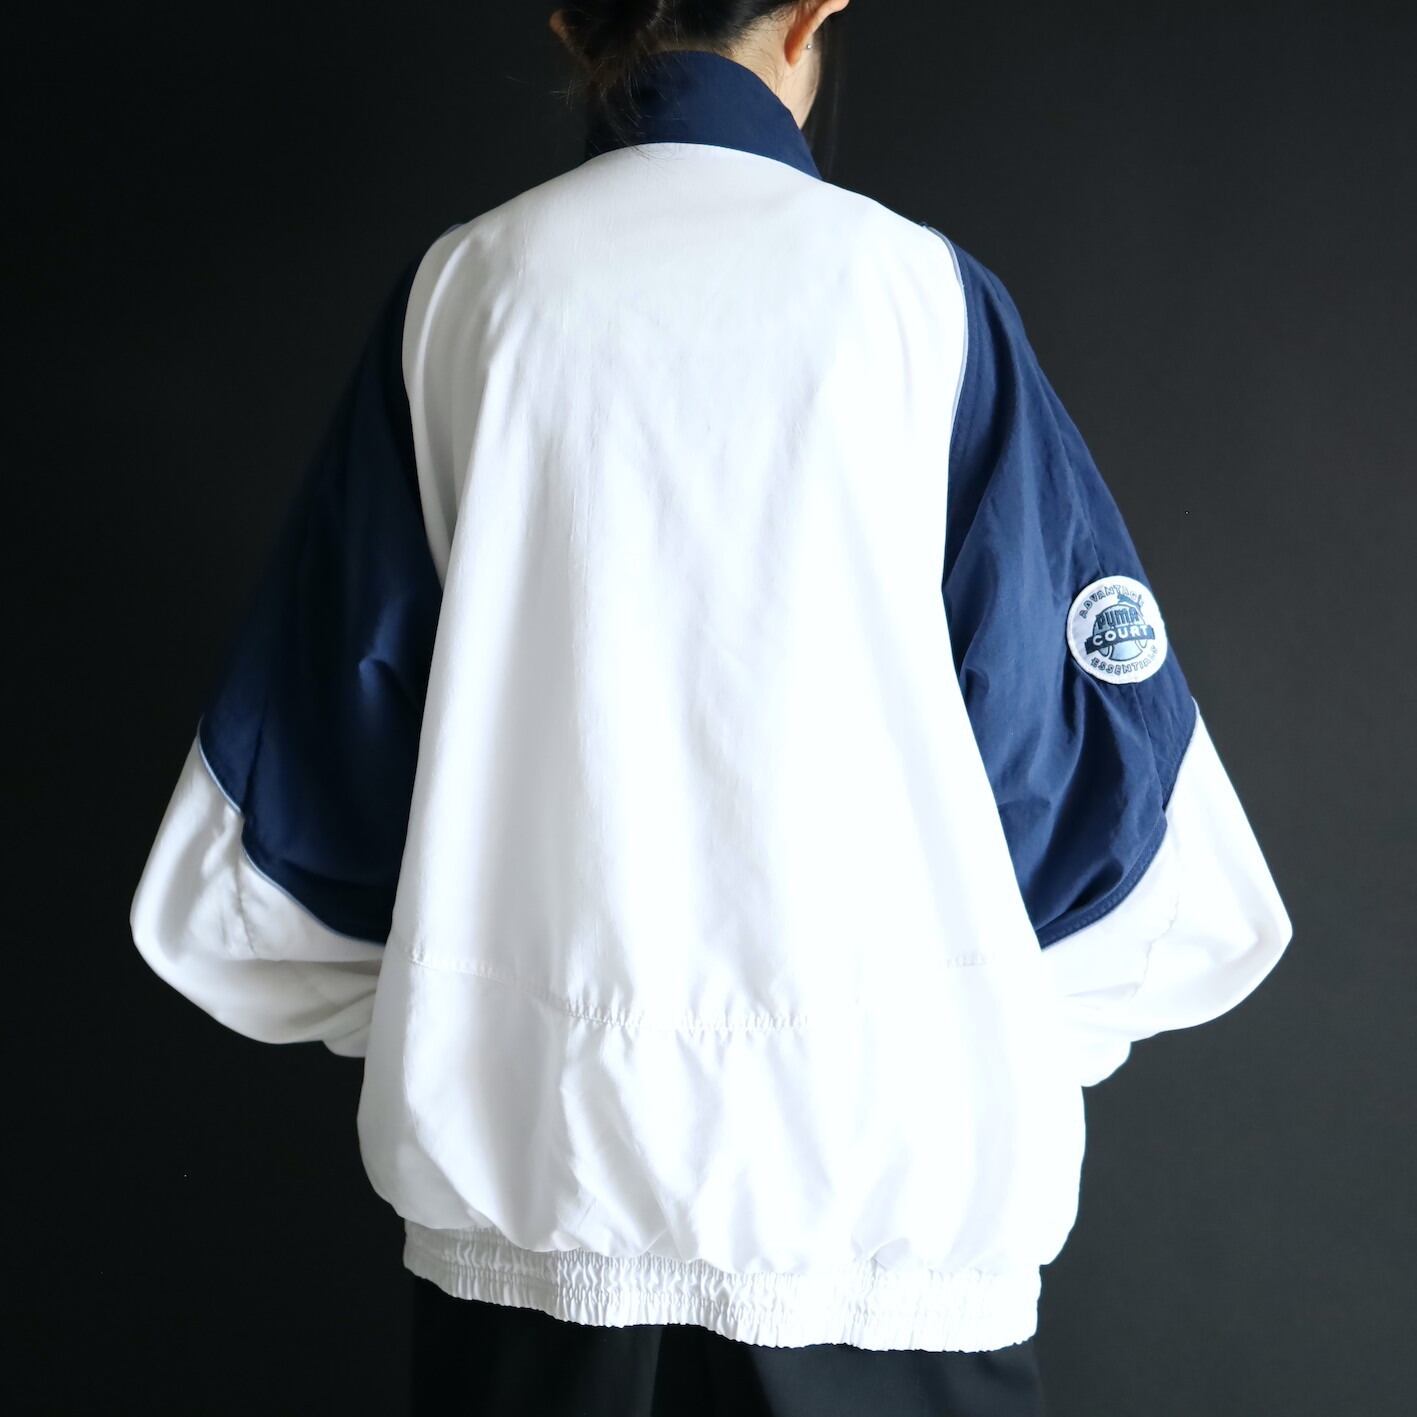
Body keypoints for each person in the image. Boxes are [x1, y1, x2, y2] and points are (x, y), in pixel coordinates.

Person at [128, 3, 1294, 1413]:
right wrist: (962, 1042)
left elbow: (319, 781)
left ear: (570, 18)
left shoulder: (469, 295)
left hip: (535, 1221)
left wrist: (504, 1038)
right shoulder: (917, 298)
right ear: (814, 12)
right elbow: (1076, 787)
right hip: (878, 1226)